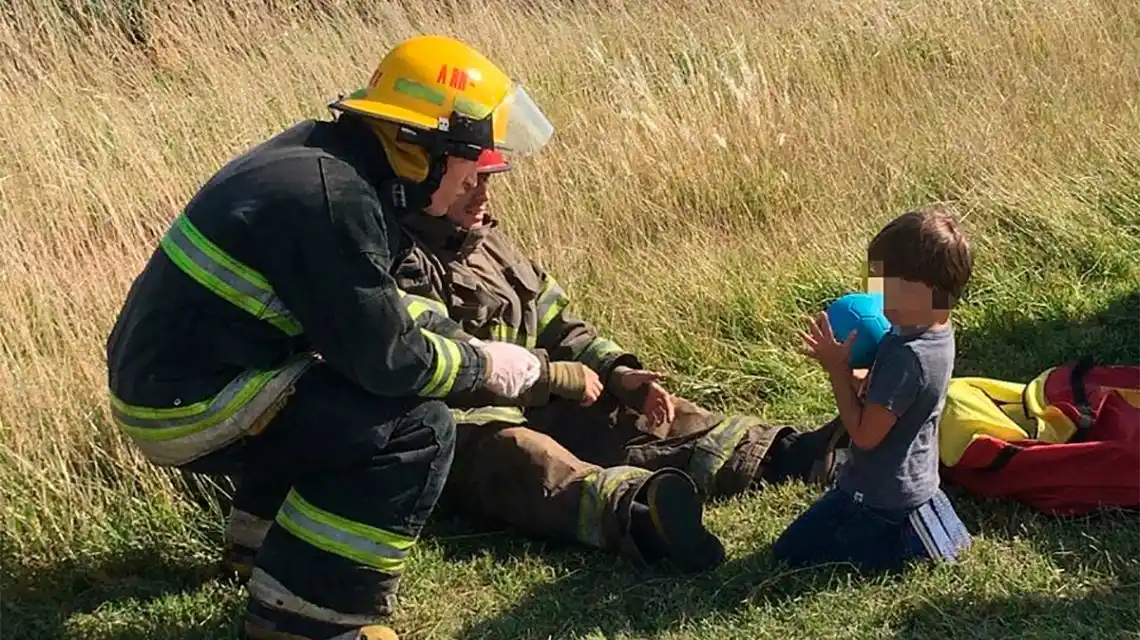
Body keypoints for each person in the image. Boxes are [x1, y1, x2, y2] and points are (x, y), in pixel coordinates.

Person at [105, 34, 560, 640]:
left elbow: (376, 315)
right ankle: (307, 619)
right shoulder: (331, 200)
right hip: (189, 405)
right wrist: (485, 369)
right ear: (421, 147)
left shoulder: (327, 163)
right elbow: (391, 362)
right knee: (414, 428)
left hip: (184, 382)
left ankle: (260, 549)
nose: (480, 182)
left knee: (328, 394)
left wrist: (474, 347)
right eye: (472, 162)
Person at [219, 149, 848, 578]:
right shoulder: (386, 260)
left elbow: (557, 320)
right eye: (472, 181)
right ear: (420, 179)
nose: (484, 196)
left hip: (545, 390)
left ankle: (783, 454)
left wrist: (620, 372)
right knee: (525, 458)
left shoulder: (489, 240)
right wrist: (554, 376)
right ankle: (641, 516)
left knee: (649, 415)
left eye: (488, 180)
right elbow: (433, 361)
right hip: (456, 424)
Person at [772, 204, 975, 572]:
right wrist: (851, 372)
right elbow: (891, 396)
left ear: (923, 290)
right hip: (908, 480)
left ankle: (908, 544)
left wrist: (836, 371)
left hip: (881, 497)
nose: (876, 294)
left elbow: (865, 435)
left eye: (885, 285)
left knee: (791, 553)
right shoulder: (934, 331)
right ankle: (923, 522)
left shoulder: (908, 357)